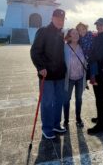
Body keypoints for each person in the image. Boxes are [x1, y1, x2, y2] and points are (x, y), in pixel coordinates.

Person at [30, 9, 67, 139]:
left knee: (58, 101)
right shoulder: (43, 31)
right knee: (47, 102)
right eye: (57, 18)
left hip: (60, 75)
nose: (60, 21)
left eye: (62, 19)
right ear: (52, 18)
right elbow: (35, 51)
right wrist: (40, 67)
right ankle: (47, 128)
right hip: (47, 75)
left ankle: (56, 124)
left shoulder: (62, 33)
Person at [87, 18, 103, 135]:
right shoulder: (97, 37)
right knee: (101, 95)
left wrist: (89, 56)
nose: (98, 27)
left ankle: (101, 125)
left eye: (101, 25)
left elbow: (99, 54)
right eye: (97, 25)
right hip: (96, 69)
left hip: (100, 70)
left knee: (99, 96)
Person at [63, 28, 87, 128]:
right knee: (66, 99)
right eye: (73, 33)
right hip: (69, 78)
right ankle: (66, 120)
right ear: (69, 36)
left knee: (79, 99)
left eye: (77, 33)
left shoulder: (82, 47)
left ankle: (78, 119)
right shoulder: (65, 47)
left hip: (80, 78)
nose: (76, 35)